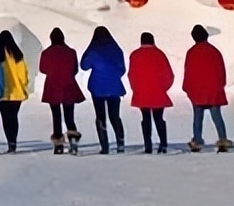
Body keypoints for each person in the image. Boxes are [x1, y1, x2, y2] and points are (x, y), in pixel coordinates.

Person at [183, 25, 232, 153]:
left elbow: (188, 72)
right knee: (217, 117)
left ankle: (197, 140)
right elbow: (221, 71)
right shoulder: (214, 52)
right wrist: (220, 85)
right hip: (213, 90)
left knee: (197, 118)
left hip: (197, 91)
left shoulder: (191, 52)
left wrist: (187, 88)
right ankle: (222, 139)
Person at [38, 28, 84, 155]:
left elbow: (42, 69)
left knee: (56, 116)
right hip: (68, 85)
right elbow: (75, 69)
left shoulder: (46, 53)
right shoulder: (71, 52)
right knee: (69, 115)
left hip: (52, 86)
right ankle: (73, 139)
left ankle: (58, 144)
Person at [81, 26, 126, 154]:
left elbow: (84, 66)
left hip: (97, 87)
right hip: (114, 87)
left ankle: (104, 146)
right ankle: (120, 143)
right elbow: (122, 69)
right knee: (115, 116)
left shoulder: (94, 49)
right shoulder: (116, 49)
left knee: (100, 116)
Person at [128, 32, 174, 154]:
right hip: (158, 92)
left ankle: (148, 145)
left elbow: (131, 75)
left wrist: (135, 88)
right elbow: (168, 74)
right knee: (159, 118)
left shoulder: (135, 55)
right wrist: (164, 88)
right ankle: (163, 143)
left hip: (141, 92)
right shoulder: (159, 54)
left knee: (145, 118)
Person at [0, 30, 30, 154]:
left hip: (2, 93)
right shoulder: (18, 55)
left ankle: (9, 141)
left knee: (6, 118)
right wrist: (23, 85)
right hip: (17, 93)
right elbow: (24, 74)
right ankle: (13, 141)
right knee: (13, 117)